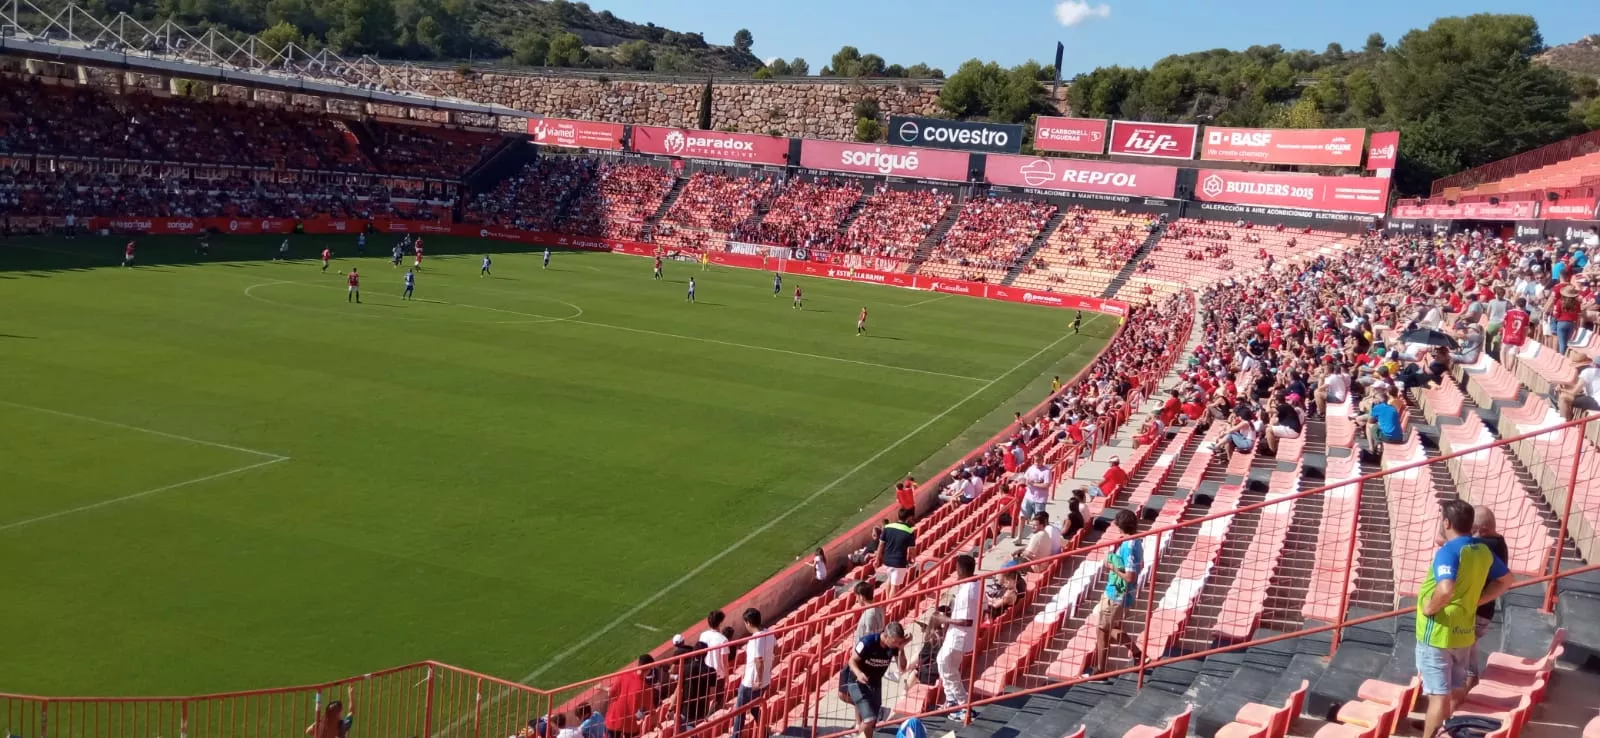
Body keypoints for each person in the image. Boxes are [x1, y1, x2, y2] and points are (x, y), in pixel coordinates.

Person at [1416, 500, 1513, 738]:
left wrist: (1431, 606)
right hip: (1463, 633)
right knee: (1456, 689)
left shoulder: (1448, 551)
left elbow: (1446, 588)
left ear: (1446, 522)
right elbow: (1507, 580)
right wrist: (1476, 601)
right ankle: (1447, 730)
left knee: (1438, 695)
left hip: (1438, 632)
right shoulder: (1483, 550)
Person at [1085, 509, 1143, 677]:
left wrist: (1112, 567)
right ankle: (1138, 654)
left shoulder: (1129, 547)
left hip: (1117, 594)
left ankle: (1100, 670)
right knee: (1111, 627)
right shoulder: (1135, 542)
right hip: (1120, 593)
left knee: (1103, 629)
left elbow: (1130, 576)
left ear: (1120, 525)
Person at [931, 554, 982, 722]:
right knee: (943, 662)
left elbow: (967, 621)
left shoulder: (968, 591)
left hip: (959, 636)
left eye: (956, 568)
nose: (955, 571)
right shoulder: (977, 582)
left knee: (949, 669)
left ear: (961, 570)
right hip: (960, 635)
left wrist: (944, 619)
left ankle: (963, 705)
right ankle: (952, 700)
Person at [838, 622, 909, 738]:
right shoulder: (867, 642)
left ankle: (864, 728)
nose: (897, 644)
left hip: (875, 683)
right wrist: (859, 673)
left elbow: (902, 668)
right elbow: (852, 661)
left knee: (872, 722)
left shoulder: (895, 647)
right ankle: (855, 734)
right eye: (895, 641)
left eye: (899, 642)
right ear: (886, 636)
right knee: (869, 719)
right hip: (857, 681)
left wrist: (901, 649)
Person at [1467, 506, 1509, 688]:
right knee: (1468, 654)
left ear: (1481, 530)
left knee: (1461, 660)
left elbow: (1444, 540)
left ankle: (1458, 700)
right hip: (1484, 612)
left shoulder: (1484, 546)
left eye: (1469, 529)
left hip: (1475, 613)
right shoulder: (1498, 542)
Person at [731, 608, 774, 738]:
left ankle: (736, 737)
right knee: (755, 708)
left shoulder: (756, 639)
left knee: (740, 712)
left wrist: (758, 681)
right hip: (765, 680)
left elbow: (759, 660)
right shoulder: (769, 632)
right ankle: (765, 732)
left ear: (748, 623)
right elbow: (776, 649)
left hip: (751, 683)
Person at [603, 655, 654, 738]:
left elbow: (611, 693)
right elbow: (651, 711)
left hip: (614, 719)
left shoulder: (624, 675)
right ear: (649, 669)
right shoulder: (646, 689)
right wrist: (656, 724)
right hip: (629, 725)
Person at [876, 509, 916, 595]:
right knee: (895, 586)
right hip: (899, 562)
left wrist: (877, 559)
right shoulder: (909, 531)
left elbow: (881, 545)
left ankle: (887, 601)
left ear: (898, 516)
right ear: (908, 518)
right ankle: (889, 606)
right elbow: (912, 550)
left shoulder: (887, 527)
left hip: (887, 561)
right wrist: (913, 559)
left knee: (889, 580)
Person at [1557, 353, 1600, 420]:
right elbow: (1580, 388)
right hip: (1596, 400)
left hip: (1597, 402)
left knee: (1564, 397)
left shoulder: (1587, 372)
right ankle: (1568, 420)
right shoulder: (1592, 372)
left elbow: (1574, 392)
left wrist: (1561, 389)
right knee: (1567, 397)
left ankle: (1566, 423)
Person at [698, 609, 731, 681]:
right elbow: (725, 662)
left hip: (705, 672)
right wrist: (727, 679)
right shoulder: (723, 640)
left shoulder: (703, 635)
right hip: (718, 675)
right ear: (720, 623)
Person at [1020, 458, 1052, 522]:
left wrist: (1033, 484)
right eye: (1035, 461)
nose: (1037, 463)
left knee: (1039, 520)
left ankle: (1038, 532)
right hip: (1028, 497)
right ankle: (1019, 532)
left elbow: (1046, 485)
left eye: (1038, 461)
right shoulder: (1031, 468)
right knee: (1022, 517)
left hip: (1040, 500)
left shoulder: (1047, 471)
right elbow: (1024, 478)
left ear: (1042, 461)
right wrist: (1026, 482)